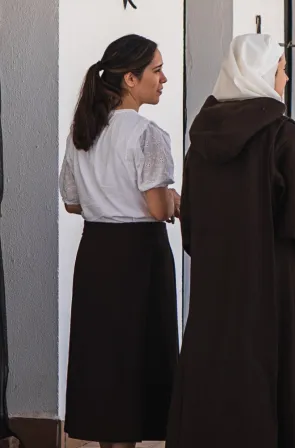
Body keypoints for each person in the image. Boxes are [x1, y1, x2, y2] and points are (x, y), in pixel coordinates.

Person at [166, 34, 295, 448]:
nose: (284, 80)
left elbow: (191, 223)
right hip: (277, 285)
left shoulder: (201, 145)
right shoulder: (283, 138)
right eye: (281, 70)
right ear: (263, 75)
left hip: (217, 286)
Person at [59, 34, 179, 448]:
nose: (164, 78)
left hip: (96, 255)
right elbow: (159, 209)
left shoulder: (83, 131)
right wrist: (173, 199)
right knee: (139, 353)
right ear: (130, 78)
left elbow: (73, 203)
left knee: (105, 355)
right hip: (139, 256)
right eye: (156, 70)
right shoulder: (147, 134)